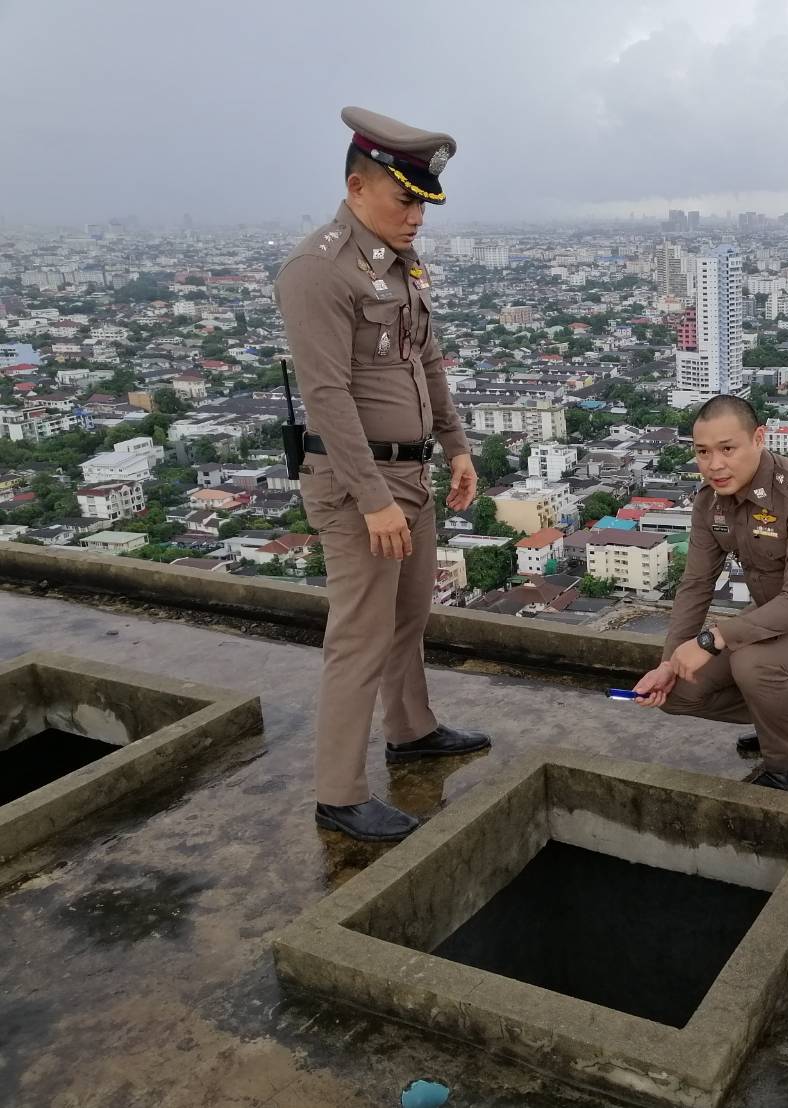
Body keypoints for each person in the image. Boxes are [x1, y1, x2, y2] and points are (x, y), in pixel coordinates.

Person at [276, 106, 489, 842]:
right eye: (406, 199)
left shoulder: (396, 267)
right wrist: (371, 499)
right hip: (355, 484)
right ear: (358, 185)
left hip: (411, 476)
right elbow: (327, 396)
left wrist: (456, 446)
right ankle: (338, 793)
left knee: (407, 620)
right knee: (360, 635)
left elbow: (424, 360)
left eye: (424, 202)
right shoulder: (317, 270)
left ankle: (412, 728)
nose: (417, 216)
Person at [632, 395, 788, 792]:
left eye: (727, 449)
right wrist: (668, 662)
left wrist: (710, 639)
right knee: (675, 693)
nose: (714, 465)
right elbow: (695, 585)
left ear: (759, 438)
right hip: (771, 629)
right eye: (702, 452)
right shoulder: (710, 503)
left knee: (754, 664)